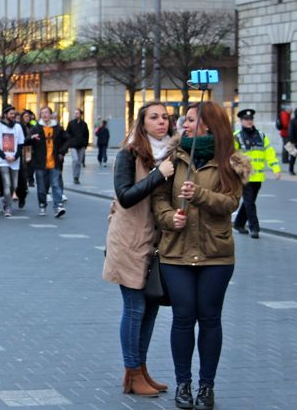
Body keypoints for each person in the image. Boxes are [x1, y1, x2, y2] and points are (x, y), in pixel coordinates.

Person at [152, 102, 251, 410]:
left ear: (208, 125)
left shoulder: (230, 161)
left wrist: (201, 196)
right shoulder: (174, 157)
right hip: (176, 252)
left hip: (215, 254)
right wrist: (170, 219)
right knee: (182, 318)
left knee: (209, 319)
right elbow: (158, 199)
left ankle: (206, 387)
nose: (184, 124)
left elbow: (231, 202)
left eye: (191, 120)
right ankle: (184, 384)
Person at [103, 102, 175, 397]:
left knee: (151, 308)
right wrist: (158, 175)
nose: (162, 122)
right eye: (154, 117)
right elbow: (125, 196)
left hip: (156, 244)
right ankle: (132, 373)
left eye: (166, 117)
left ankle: (141, 370)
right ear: (142, 123)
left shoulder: (171, 155)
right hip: (129, 241)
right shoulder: (128, 154)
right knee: (134, 309)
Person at [233, 108, 281, 239]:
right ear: (241, 121)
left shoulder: (261, 135)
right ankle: (254, 228)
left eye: (250, 119)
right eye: (246, 119)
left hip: (258, 176)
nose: (249, 121)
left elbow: (269, 153)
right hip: (245, 176)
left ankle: (238, 223)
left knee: (249, 202)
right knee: (250, 202)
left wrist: (276, 168)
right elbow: (232, 155)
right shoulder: (236, 136)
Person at [28, 106, 71, 217]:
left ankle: (58, 206)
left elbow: (68, 139)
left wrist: (62, 152)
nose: (44, 115)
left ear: (50, 114)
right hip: (40, 163)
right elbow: (25, 140)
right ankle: (42, 205)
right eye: (42, 113)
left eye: (46, 112)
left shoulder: (57, 128)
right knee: (41, 187)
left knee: (56, 185)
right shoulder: (36, 128)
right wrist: (32, 138)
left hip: (54, 161)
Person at [0, 105, 25, 217]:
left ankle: (6, 199)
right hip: (2, 160)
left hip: (14, 160)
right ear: (5, 115)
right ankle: (8, 207)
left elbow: (21, 144)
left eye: (14, 114)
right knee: (7, 183)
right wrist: (4, 156)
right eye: (11, 114)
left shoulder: (18, 127)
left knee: (14, 185)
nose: (13, 116)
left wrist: (16, 156)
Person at [67, 108, 89, 184]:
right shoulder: (71, 123)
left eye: (77, 113)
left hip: (82, 145)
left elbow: (87, 134)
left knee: (79, 162)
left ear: (80, 114)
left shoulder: (84, 124)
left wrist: (85, 144)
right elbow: (67, 133)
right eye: (75, 113)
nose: (76, 114)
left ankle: (77, 177)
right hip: (73, 145)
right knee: (75, 160)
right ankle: (74, 176)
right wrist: (69, 142)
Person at [289, 108, 297, 176]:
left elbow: (290, 132)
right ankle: (291, 170)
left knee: (292, 157)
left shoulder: (292, 121)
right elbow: (291, 132)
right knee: (292, 157)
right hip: (293, 142)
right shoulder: (292, 121)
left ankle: (291, 170)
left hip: (292, 142)